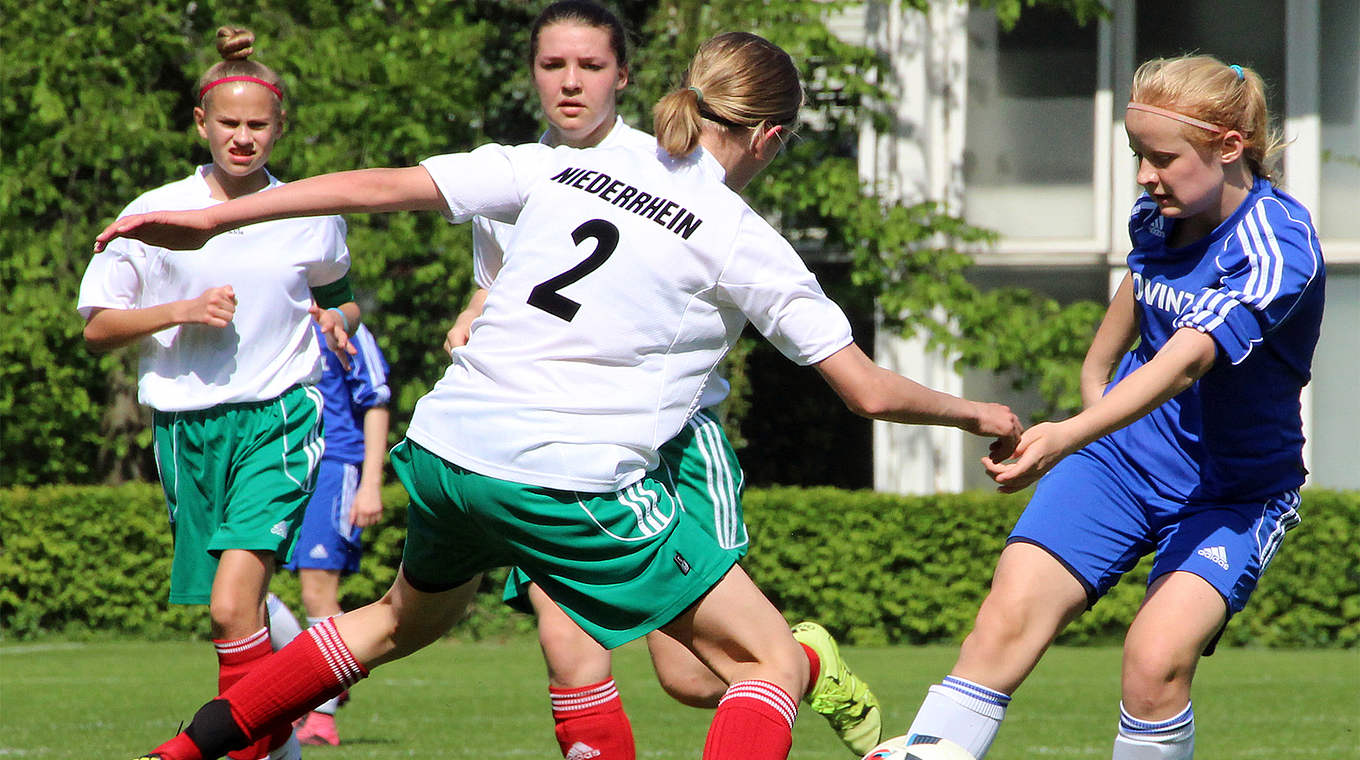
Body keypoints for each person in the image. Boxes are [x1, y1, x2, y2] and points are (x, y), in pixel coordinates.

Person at [98, 31, 1021, 760]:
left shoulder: (565, 161)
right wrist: (978, 411)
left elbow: (386, 188)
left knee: (388, 623)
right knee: (770, 662)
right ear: (772, 139)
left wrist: (217, 214)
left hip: (449, 452)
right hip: (562, 476)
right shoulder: (743, 238)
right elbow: (863, 391)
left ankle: (182, 750)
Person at [442, 3, 881, 757]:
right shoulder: (513, 170)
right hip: (555, 445)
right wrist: (477, 312)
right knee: (565, 642)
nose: (571, 83)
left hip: (668, 444)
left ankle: (803, 658)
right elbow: (516, 288)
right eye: (554, 66)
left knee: (690, 676)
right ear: (531, 75)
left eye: (590, 66)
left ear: (625, 77)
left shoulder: (659, 164)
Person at [902, 55, 1324, 759]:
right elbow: (1139, 292)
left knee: (1153, 664)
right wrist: (1094, 387)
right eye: (1137, 155)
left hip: (1234, 494)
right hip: (1121, 466)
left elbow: (1186, 359)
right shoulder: (1160, 216)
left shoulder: (1278, 243)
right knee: (1005, 624)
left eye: (1162, 157)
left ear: (1227, 147)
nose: (1142, 176)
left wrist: (1068, 432)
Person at [77, 26, 361, 760]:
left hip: (280, 417)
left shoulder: (309, 209)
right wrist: (180, 310)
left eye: (257, 125)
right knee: (228, 618)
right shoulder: (155, 213)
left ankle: (251, 750)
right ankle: (277, 742)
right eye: (228, 123)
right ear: (201, 123)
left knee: (235, 603)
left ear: (280, 128)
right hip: (185, 430)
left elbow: (345, 298)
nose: (243, 137)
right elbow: (99, 328)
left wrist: (340, 319)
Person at [266, 320, 390, 746]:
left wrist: (371, 482)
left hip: (335, 467)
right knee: (246, 583)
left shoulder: (346, 327)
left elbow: (376, 400)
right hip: (286, 465)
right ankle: (332, 672)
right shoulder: (282, 317)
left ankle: (321, 718)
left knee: (317, 592)